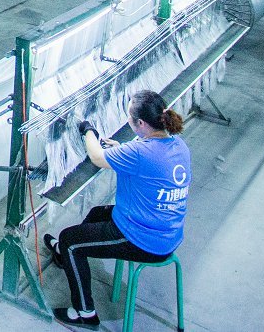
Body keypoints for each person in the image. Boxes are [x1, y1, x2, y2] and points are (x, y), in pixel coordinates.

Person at [43, 91, 191, 328]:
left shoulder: (139, 153)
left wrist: (87, 130)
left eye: (129, 117)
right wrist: (120, 149)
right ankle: (67, 257)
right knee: (96, 214)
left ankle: (85, 313)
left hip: (143, 241)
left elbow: (96, 157)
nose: (128, 120)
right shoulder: (178, 145)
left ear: (140, 123)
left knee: (69, 239)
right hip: (169, 233)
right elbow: (149, 163)